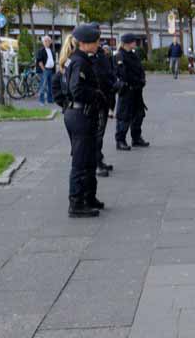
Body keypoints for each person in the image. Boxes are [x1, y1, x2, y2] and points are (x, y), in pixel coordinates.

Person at [62, 23, 110, 218]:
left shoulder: (77, 59)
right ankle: (76, 203)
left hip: (79, 114)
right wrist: (96, 94)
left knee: (89, 159)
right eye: (95, 41)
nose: (98, 44)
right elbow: (76, 90)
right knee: (81, 161)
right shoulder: (79, 62)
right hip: (80, 114)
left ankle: (89, 197)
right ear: (84, 43)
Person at [115, 33, 150, 151]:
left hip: (137, 90)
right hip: (127, 90)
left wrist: (142, 80)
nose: (135, 43)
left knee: (139, 114)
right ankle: (120, 140)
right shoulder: (119, 56)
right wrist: (137, 80)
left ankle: (136, 138)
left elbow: (140, 69)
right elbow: (123, 74)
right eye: (133, 41)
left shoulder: (134, 55)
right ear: (127, 43)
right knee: (124, 116)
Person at [92, 42, 116, 177]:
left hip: (104, 98)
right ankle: (95, 163)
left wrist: (114, 84)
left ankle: (99, 160)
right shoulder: (84, 57)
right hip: (96, 101)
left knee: (100, 134)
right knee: (96, 134)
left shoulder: (100, 54)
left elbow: (108, 73)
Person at [36, 36, 56, 105]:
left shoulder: (51, 50)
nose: (47, 42)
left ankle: (50, 99)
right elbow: (40, 61)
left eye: (48, 41)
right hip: (44, 70)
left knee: (50, 86)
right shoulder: (41, 51)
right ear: (43, 42)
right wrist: (44, 70)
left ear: (50, 42)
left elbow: (53, 60)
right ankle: (41, 101)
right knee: (43, 86)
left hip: (51, 70)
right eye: (45, 41)